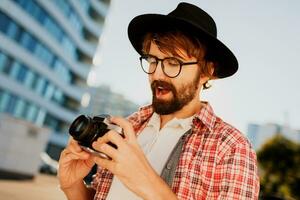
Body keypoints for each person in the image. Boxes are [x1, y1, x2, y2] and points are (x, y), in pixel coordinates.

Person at [58, 2, 259, 199]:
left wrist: (146, 182)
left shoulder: (232, 147)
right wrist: (73, 186)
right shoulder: (129, 127)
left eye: (173, 63)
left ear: (207, 71)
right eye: (153, 60)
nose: (158, 74)